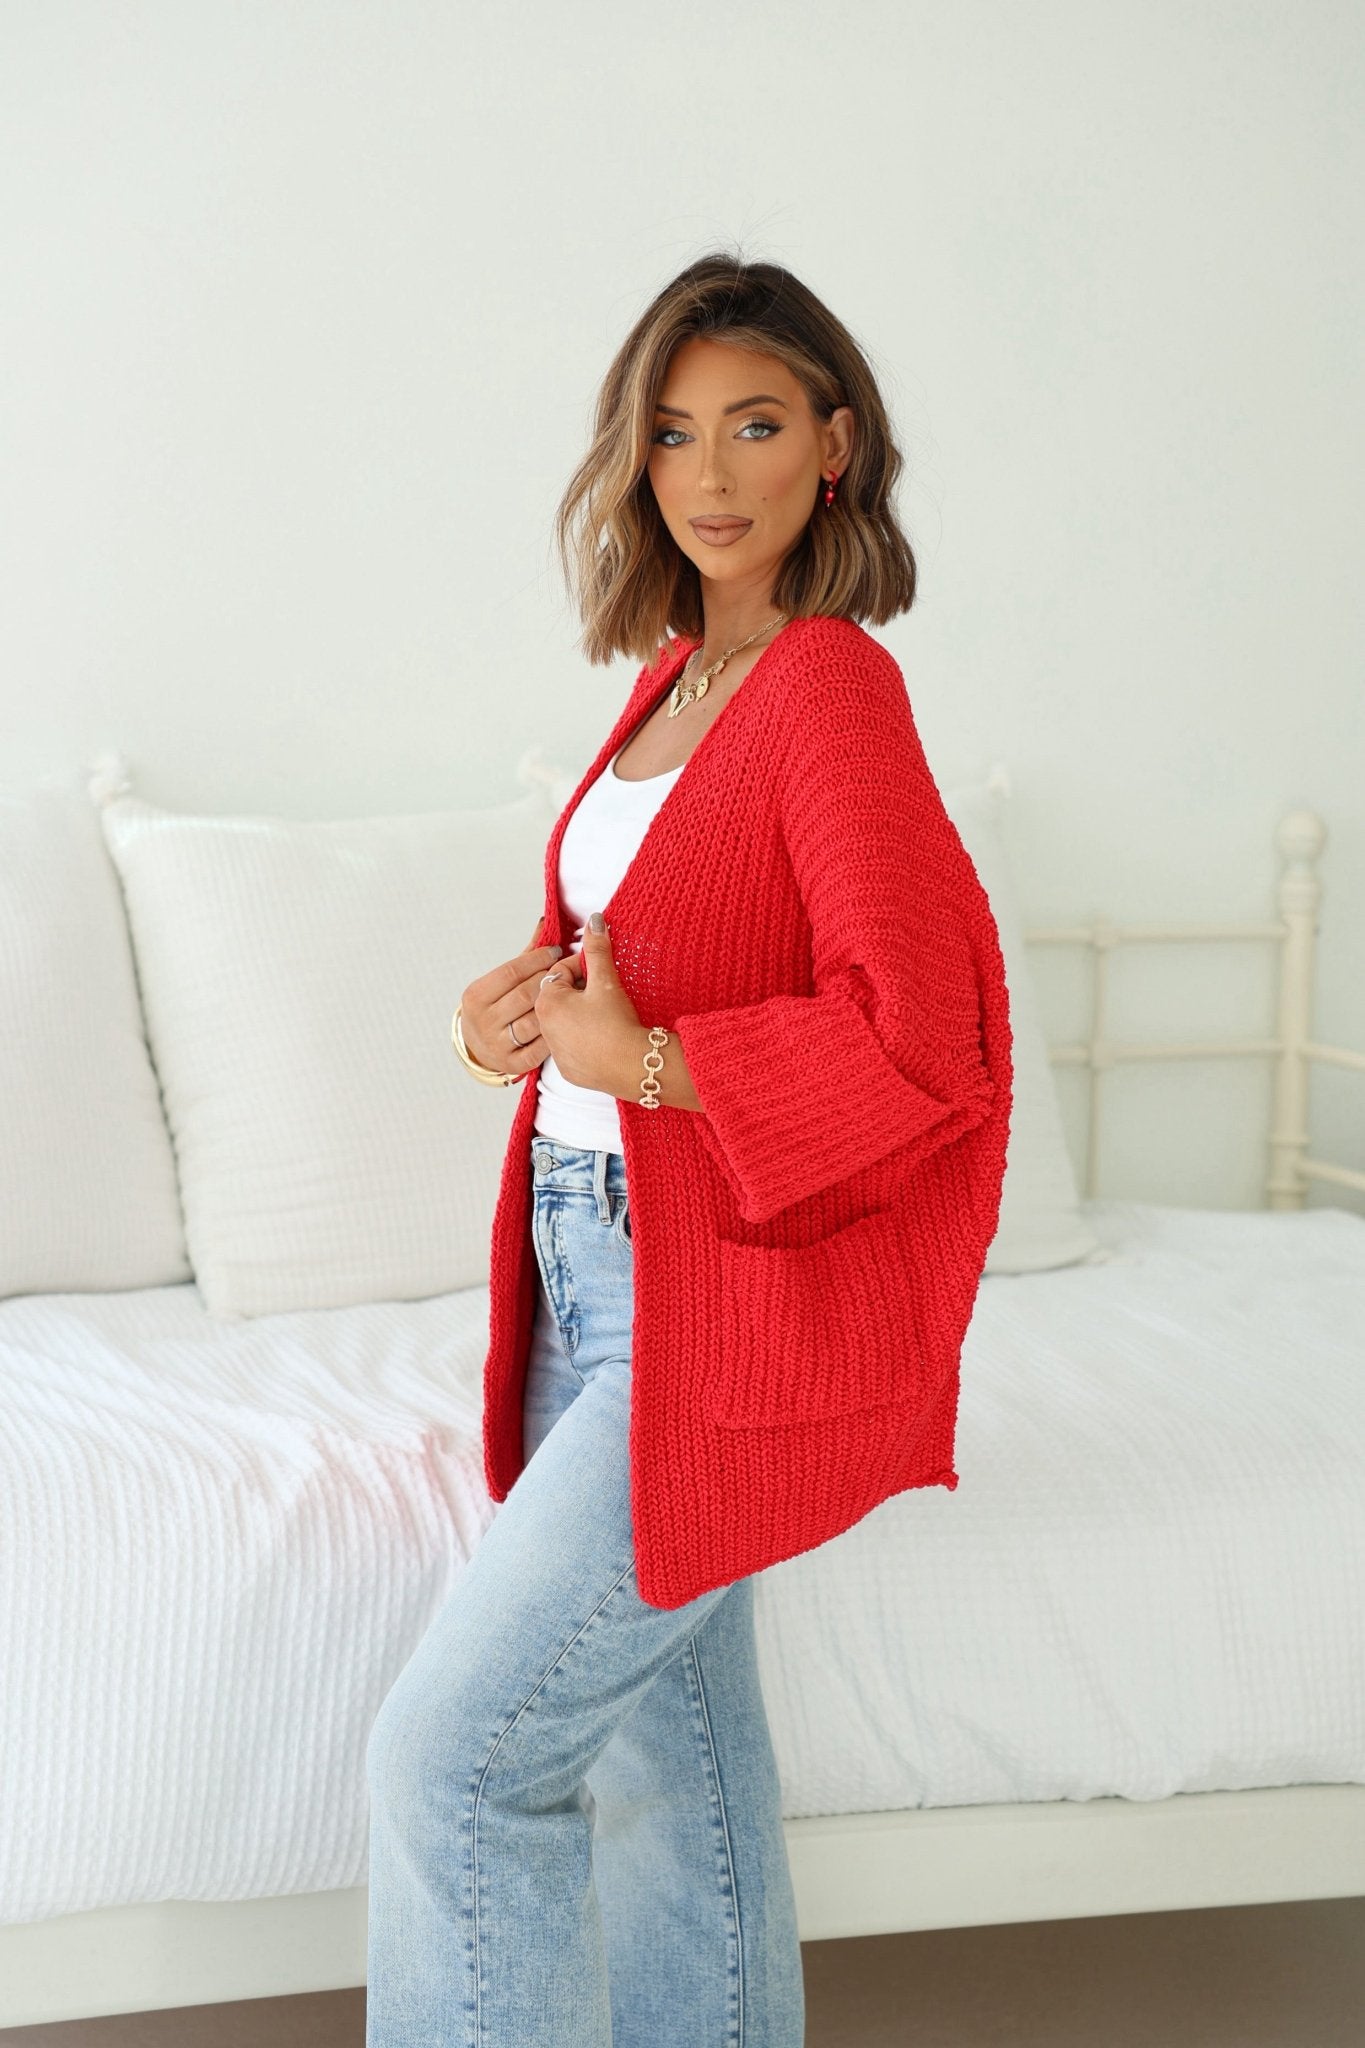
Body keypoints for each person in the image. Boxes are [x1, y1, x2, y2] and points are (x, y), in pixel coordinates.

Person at [365, 251, 1012, 2048]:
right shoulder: (674, 682)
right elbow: (651, 957)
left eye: (752, 425)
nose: (708, 472)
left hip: (698, 1297)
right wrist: (504, 1020)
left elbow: (918, 1045)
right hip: (592, 1267)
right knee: (677, 1782)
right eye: (669, 433)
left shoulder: (824, 692)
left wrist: (646, 1061)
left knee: (455, 1764)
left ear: (835, 446)